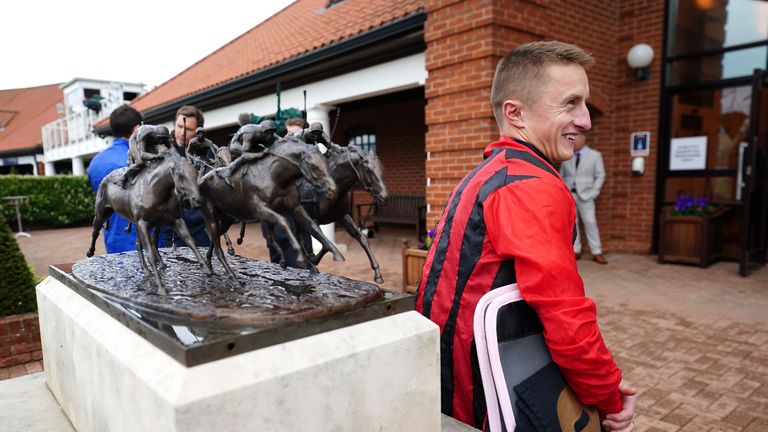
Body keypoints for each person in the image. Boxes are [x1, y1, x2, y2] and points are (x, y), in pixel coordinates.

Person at [415, 41, 636, 431]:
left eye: (584, 104)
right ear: (514, 113)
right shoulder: (530, 185)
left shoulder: (489, 172)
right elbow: (565, 315)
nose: (585, 120)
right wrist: (609, 396)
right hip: (488, 400)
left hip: (449, 384)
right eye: (570, 103)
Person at [86, 105, 143, 253]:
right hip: (144, 242)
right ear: (136, 129)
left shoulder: (96, 161)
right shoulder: (141, 161)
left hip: (113, 241)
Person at [158, 105, 210, 248]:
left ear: (198, 131)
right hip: (170, 229)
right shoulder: (162, 151)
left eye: (188, 129)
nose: (182, 132)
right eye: (179, 126)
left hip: (201, 229)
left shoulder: (206, 153)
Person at [559, 132, 608, 264]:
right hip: (570, 194)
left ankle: (597, 251)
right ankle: (576, 249)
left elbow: (600, 175)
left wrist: (594, 192)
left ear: (583, 140)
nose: (574, 142)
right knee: (572, 224)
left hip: (587, 195)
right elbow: (561, 176)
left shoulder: (595, 156)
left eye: (576, 139)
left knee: (590, 222)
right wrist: (563, 192)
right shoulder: (567, 155)